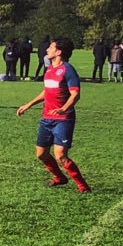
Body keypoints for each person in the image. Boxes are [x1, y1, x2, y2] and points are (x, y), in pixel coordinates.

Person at [15, 38, 89, 193]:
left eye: (51, 47)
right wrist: (28, 104)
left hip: (63, 119)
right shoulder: (49, 69)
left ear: (58, 52)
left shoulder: (68, 70)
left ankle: (83, 186)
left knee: (60, 155)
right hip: (46, 118)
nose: (47, 49)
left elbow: (75, 94)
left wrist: (64, 108)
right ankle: (59, 178)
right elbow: (46, 91)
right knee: (41, 154)